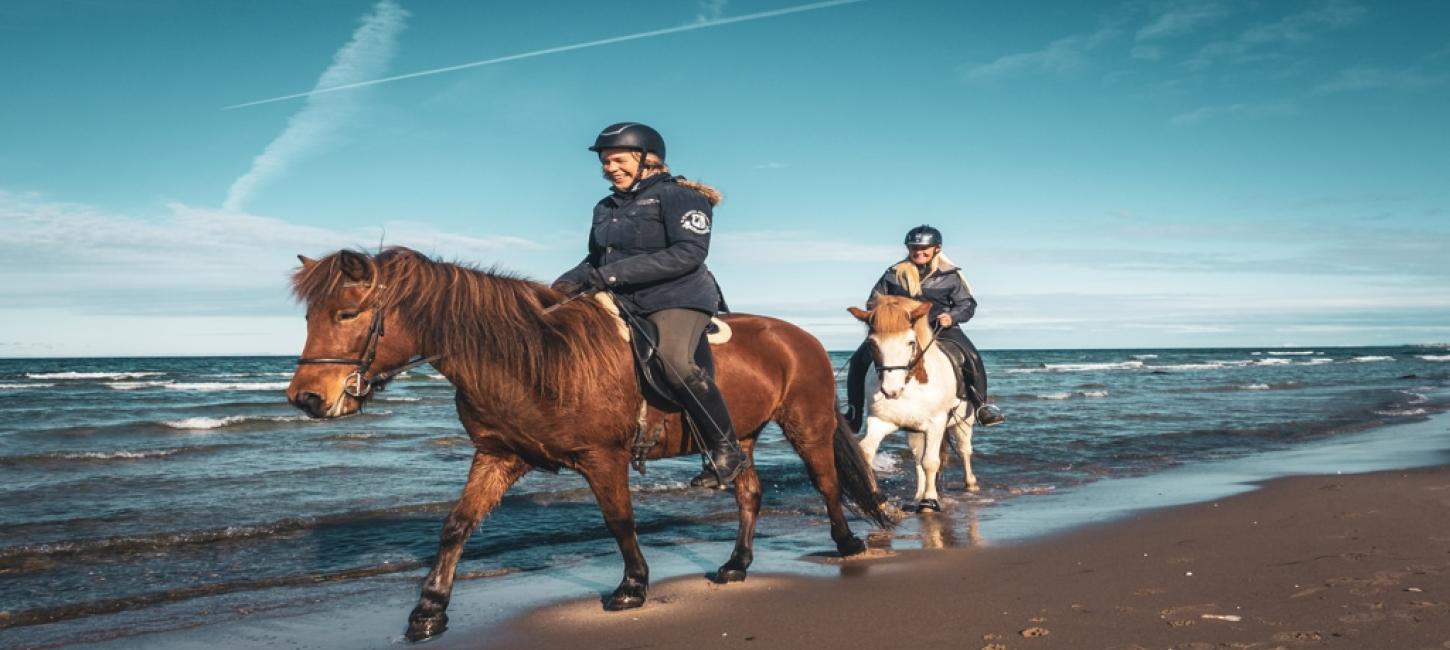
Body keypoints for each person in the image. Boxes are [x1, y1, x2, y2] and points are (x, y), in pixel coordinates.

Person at [552, 122, 746, 489]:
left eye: (618, 160)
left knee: (673, 360)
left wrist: (608, 276)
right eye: (606, 162)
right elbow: (597, 258)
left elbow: (688, 253)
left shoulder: (681, 196)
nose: (610, 168)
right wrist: (557, 290)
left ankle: (727, 449)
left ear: (647, 160)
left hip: (677, 295)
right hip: (623, 296)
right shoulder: (605, 206)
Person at [844, 225, 1005, 430]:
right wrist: (891, 316)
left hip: (940, 327)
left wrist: (952, 316)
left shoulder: (950, 275)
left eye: (924, 249)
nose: (918, 253)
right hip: (900, 331)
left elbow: (967, 304)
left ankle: (981, 406)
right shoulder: (893, 274)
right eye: (914, 248)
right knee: (858, 360)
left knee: (971, 356)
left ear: (937, 248)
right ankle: (854, 412)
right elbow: (872, 302)